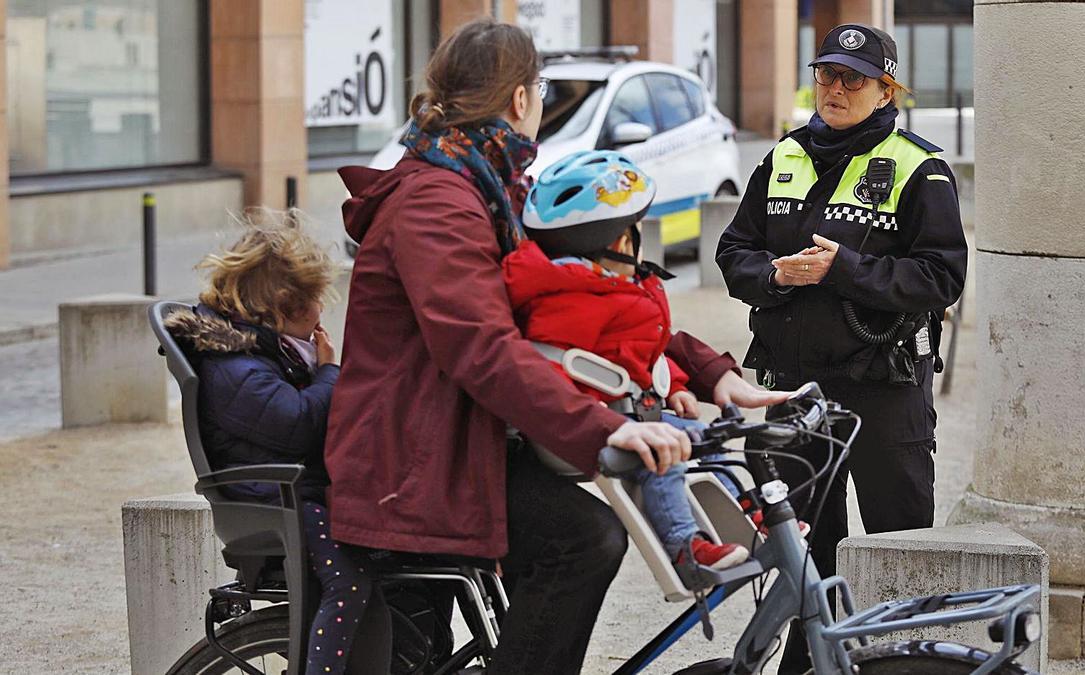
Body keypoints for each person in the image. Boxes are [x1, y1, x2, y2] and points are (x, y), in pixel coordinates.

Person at [324, 19, 787, 675]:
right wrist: (602, 428)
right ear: (520, 99)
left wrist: (707, 373)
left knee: (584, 534)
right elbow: (480, 347)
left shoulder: (478, 185)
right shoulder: (440, 200)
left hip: (459, 438)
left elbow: (578, 312)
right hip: (415, 458)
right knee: (582, 537)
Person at [715, 23, 967, 672]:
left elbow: (941, 276)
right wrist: (775, 275)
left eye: (852, 78)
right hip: (794, 387)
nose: (834, 88)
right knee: (804, 555)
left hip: (883, 387)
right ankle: (806, 664)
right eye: (826, 74)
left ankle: (901, 662)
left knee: (897, 547)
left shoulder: (920, 167)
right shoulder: (785, 156)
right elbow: (734, 251)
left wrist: (843, 269)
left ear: (886, 90)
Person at [504, 149, 750, 571]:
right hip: (603, 421)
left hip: (634, 408)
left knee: (706, 438)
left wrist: (671, 384)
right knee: (666, 457)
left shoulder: (603, 288)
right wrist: (603, 414)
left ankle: (748, 511)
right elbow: (549, 366)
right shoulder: (568, 299)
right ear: (619, 242)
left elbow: (638, 350)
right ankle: (685, 546)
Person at [165, 215, 389, 675]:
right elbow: (297, 424)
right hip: (279, 500)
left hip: (288, 491)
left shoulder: (256, 352)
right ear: (280, 308)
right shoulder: (233, 366)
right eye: (313, 303)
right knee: (347, 583)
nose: (320, 313)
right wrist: (328, 371)